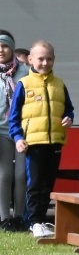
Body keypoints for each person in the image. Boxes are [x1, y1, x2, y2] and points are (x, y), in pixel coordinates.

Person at [7, 41, 74, 239]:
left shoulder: (59, 84)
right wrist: (18, 137)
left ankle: (41, 220)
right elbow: (14, 117)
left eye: (49, 59)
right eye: (40, 59)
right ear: (30, 60)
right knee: (34, 184)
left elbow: (68, 108)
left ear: (54, 59)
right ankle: (33, 221)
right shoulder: (24, 84)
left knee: (48, 184)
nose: (45, 63)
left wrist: (69, 117)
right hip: (33, 143)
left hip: (54, 142)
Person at [0, 31, 29, 232]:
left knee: (21, 175)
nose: (1, 50)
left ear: (12, 48)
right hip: (1, 131)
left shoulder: (26, 72)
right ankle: (3, 218)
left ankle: (19, 216)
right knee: (4, 175)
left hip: (21, 131)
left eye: (5, 46)